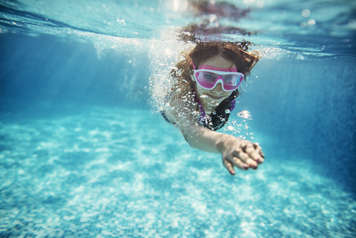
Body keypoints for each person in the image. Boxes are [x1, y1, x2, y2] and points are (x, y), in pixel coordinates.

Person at [161, 41, 264, 175]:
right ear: (194, 73)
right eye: (208, 76)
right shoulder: (180, 99)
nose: (218, 88)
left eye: (230, 79)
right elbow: (192, 133)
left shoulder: (229, 94)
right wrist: (227, 143)